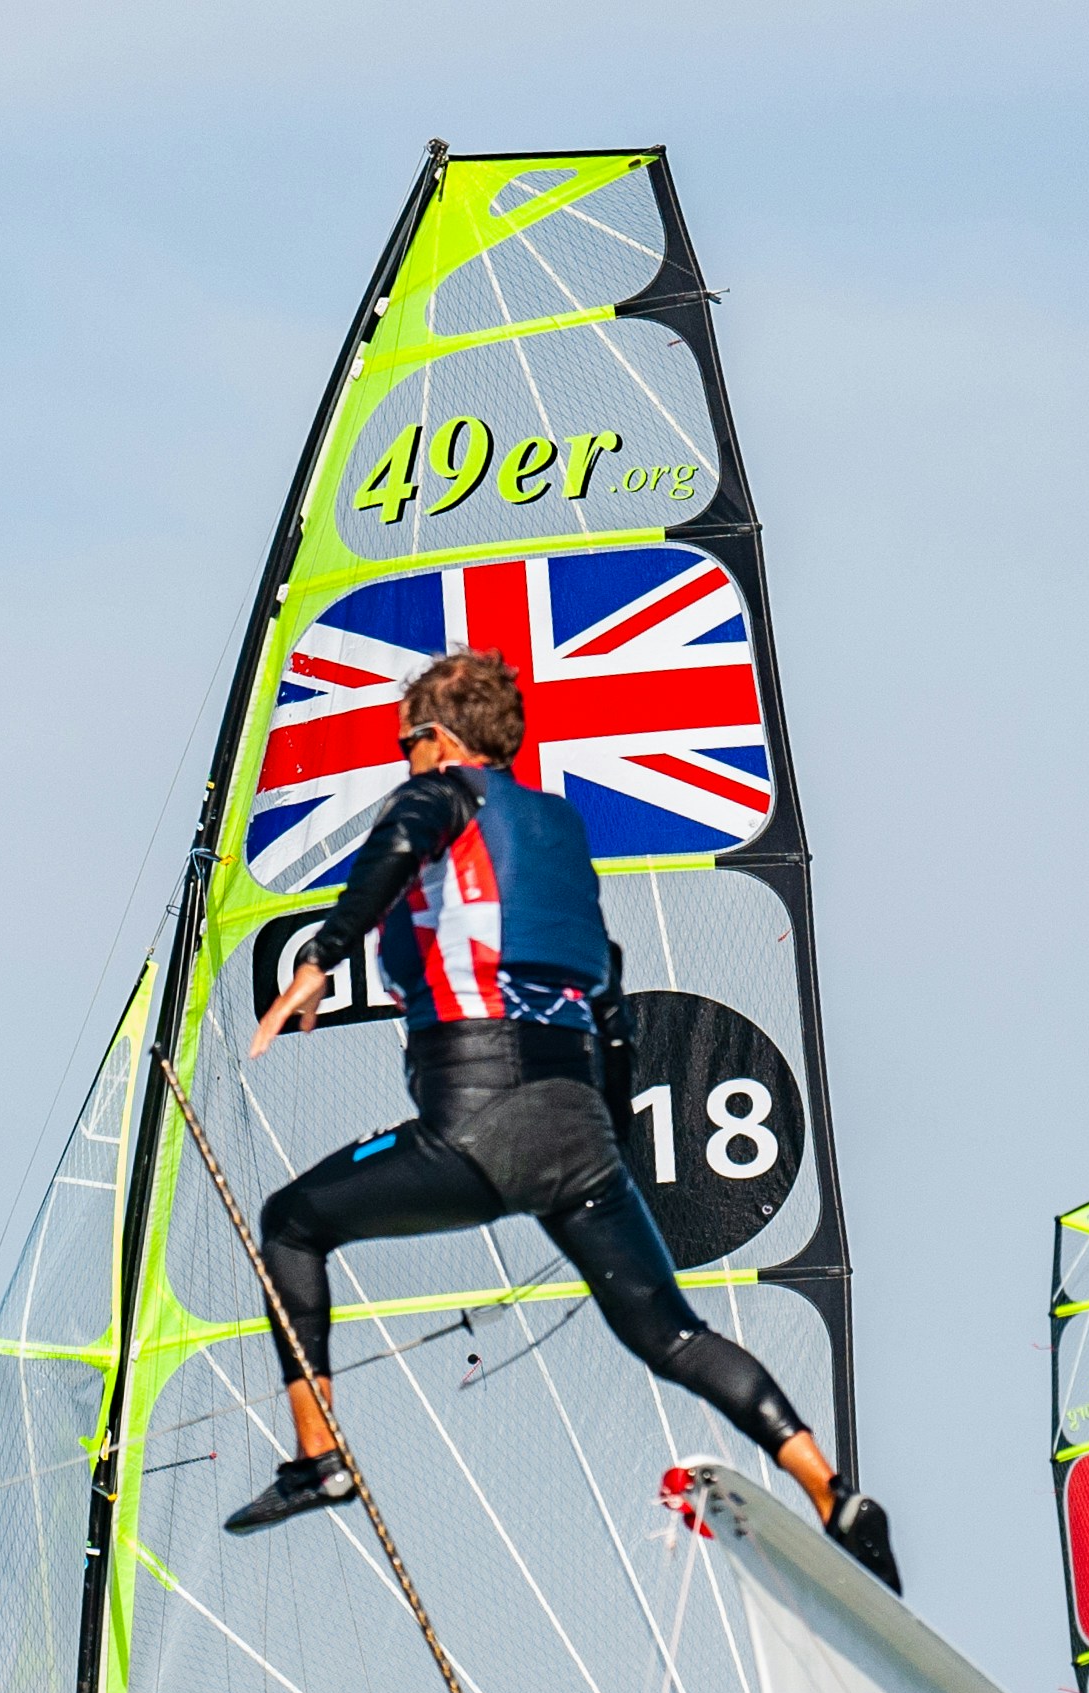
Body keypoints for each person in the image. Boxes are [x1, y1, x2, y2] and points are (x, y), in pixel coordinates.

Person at [230, 649, 897, 1588]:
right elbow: (612, 998)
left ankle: (317, 1461)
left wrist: (321, 956)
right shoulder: (556, 832)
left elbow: (394, 846)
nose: (400, 762)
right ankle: (830, 1490)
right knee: (672, 1335)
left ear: (442, 740)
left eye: (404, 742)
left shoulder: (440, 796)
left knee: (290, 1221)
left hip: (475, 1115)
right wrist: (608, 1149)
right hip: (578, 1129)